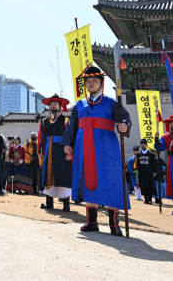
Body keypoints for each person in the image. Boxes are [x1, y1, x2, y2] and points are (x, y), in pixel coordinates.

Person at [62, 66, 131, 236]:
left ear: (102, 83)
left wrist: (125, 126)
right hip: (83, 148)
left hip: (107, 149)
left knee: (110, 181)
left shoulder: (112, 103)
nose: (90, 83)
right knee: (87, 179)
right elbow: (72, 126)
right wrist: (67, 143)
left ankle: (114, 224)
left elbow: (125, 119)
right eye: (88, 81)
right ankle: (91, 222)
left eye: (94, 81)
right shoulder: (79, 105)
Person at [38, 94, 72, 212]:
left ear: (60, 106)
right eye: (51, 104)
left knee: (63, 174)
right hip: (49, 150)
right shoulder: (44, 121)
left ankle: (66, 204)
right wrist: (41, 151)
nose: (53, 106)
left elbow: (71, 136)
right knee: (48, 173)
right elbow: (41, 137)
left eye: (55, 104)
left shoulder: (66, 120)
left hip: (63, 149)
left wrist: (70, 153)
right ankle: (49, 202)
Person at [136, 139, 157, 205]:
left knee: (149, 185)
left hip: (149, 173)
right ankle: (146, 199)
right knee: (143, 185)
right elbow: (137, 164)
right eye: (142, 144)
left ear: (146, 145)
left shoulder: (151, 154)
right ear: (140, 145)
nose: (143, 145)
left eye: (144, 144)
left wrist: (154, 172)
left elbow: (154, 164)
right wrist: (138, 171)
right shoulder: (138, 154)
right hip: (142, 173)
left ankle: (150, 199)